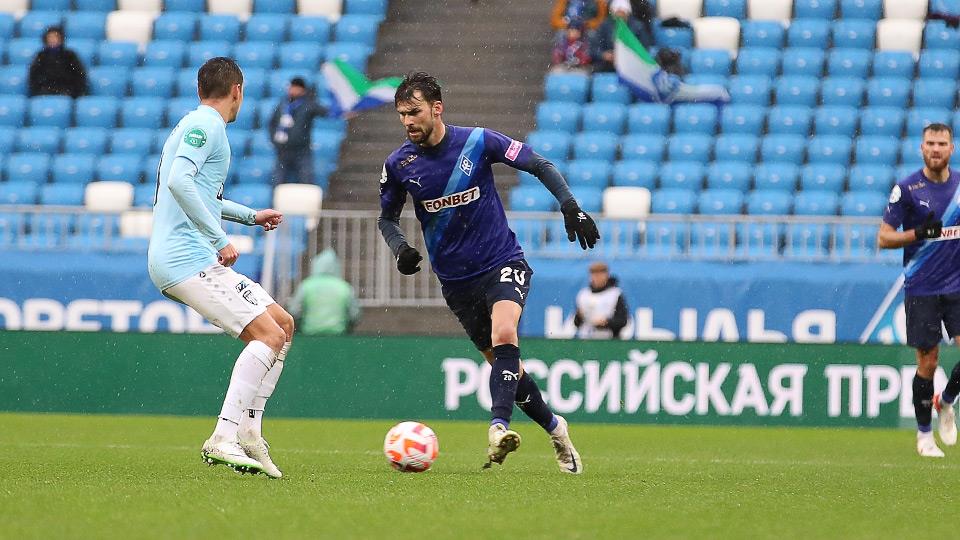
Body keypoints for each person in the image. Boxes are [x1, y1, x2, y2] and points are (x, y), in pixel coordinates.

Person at [378, 72, 600, 474]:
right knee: (506, 367)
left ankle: (498, 428)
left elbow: (539, 163)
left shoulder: (478, 142)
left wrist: (570, 204)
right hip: (456, 283)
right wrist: (401, 249)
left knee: (504, 335)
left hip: (502, 262)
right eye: (401, 115)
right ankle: (556, 429)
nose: (407, 121)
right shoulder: (398, 164)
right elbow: (387, 219)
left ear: (436, 108)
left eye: (414, 112)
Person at [148, 57, 293, 478]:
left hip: (187, 254)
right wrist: (219, 239)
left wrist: (250, 217)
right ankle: (224, 435)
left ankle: (249, 430)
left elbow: (198, 193)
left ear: (200, 89)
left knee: (282, 327)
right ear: (238, 91)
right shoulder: (206, 126)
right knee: (266, 335)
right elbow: (178, 181)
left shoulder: (197, 124)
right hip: (185, 257)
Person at [878, 122, 960, 458]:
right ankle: (924, 436)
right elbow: (884, 238)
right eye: (930, 143)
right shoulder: (907, 188)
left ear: (951, 149)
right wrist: (917, 233)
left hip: (957, 285)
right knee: (928, 362)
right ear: (921, 148)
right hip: (922, 286)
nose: (936, 149)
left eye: (942, 143)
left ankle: (947, 400)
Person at [268, 77, 327, 185]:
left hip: (302, 151)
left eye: (295, 88)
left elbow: (325, 112)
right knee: (277, 182)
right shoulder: (282, 104)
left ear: (302, 90)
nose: (292, 90)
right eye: (291, 87)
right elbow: (272, 124)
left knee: (306, 180)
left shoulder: (308, 104)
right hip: (282, 151)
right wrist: (274, 140)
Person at [289, 249, 360, 336]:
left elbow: (294, 311)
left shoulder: (306, 285)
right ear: (337, 266)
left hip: (309, 335)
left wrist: (301, 324)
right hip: (339, 336)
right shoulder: (344, 287)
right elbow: (355, 314)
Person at [590, 0, 655, 72]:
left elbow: (644, 47)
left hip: (631, 65)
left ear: (627, 13)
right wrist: (604, 55)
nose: (619, 16)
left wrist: (628, 56)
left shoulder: (638, 27)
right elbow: (594, 48)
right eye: (617, 13)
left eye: (622, 13)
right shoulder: (604, 26)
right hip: (608, 65)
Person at [574, 261, 629, 339]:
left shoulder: (615, 294)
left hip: (608, 339)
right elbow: (576, 323)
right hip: (586, 339)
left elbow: (622, 320)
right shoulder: (583, 295)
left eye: (600, 274)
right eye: (594, 274)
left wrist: (606, 322)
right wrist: (579, 316)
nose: (597, 277)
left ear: (606, 275)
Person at [28, 26, 87, 98]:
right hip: (45, 90)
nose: (52, 40)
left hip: (66, 90)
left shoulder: (70, 55)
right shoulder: (41, 56)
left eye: (55, 37)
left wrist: (76, 92)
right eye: (50, 37)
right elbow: (34, 76)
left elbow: (79, 75)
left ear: (61, 39)